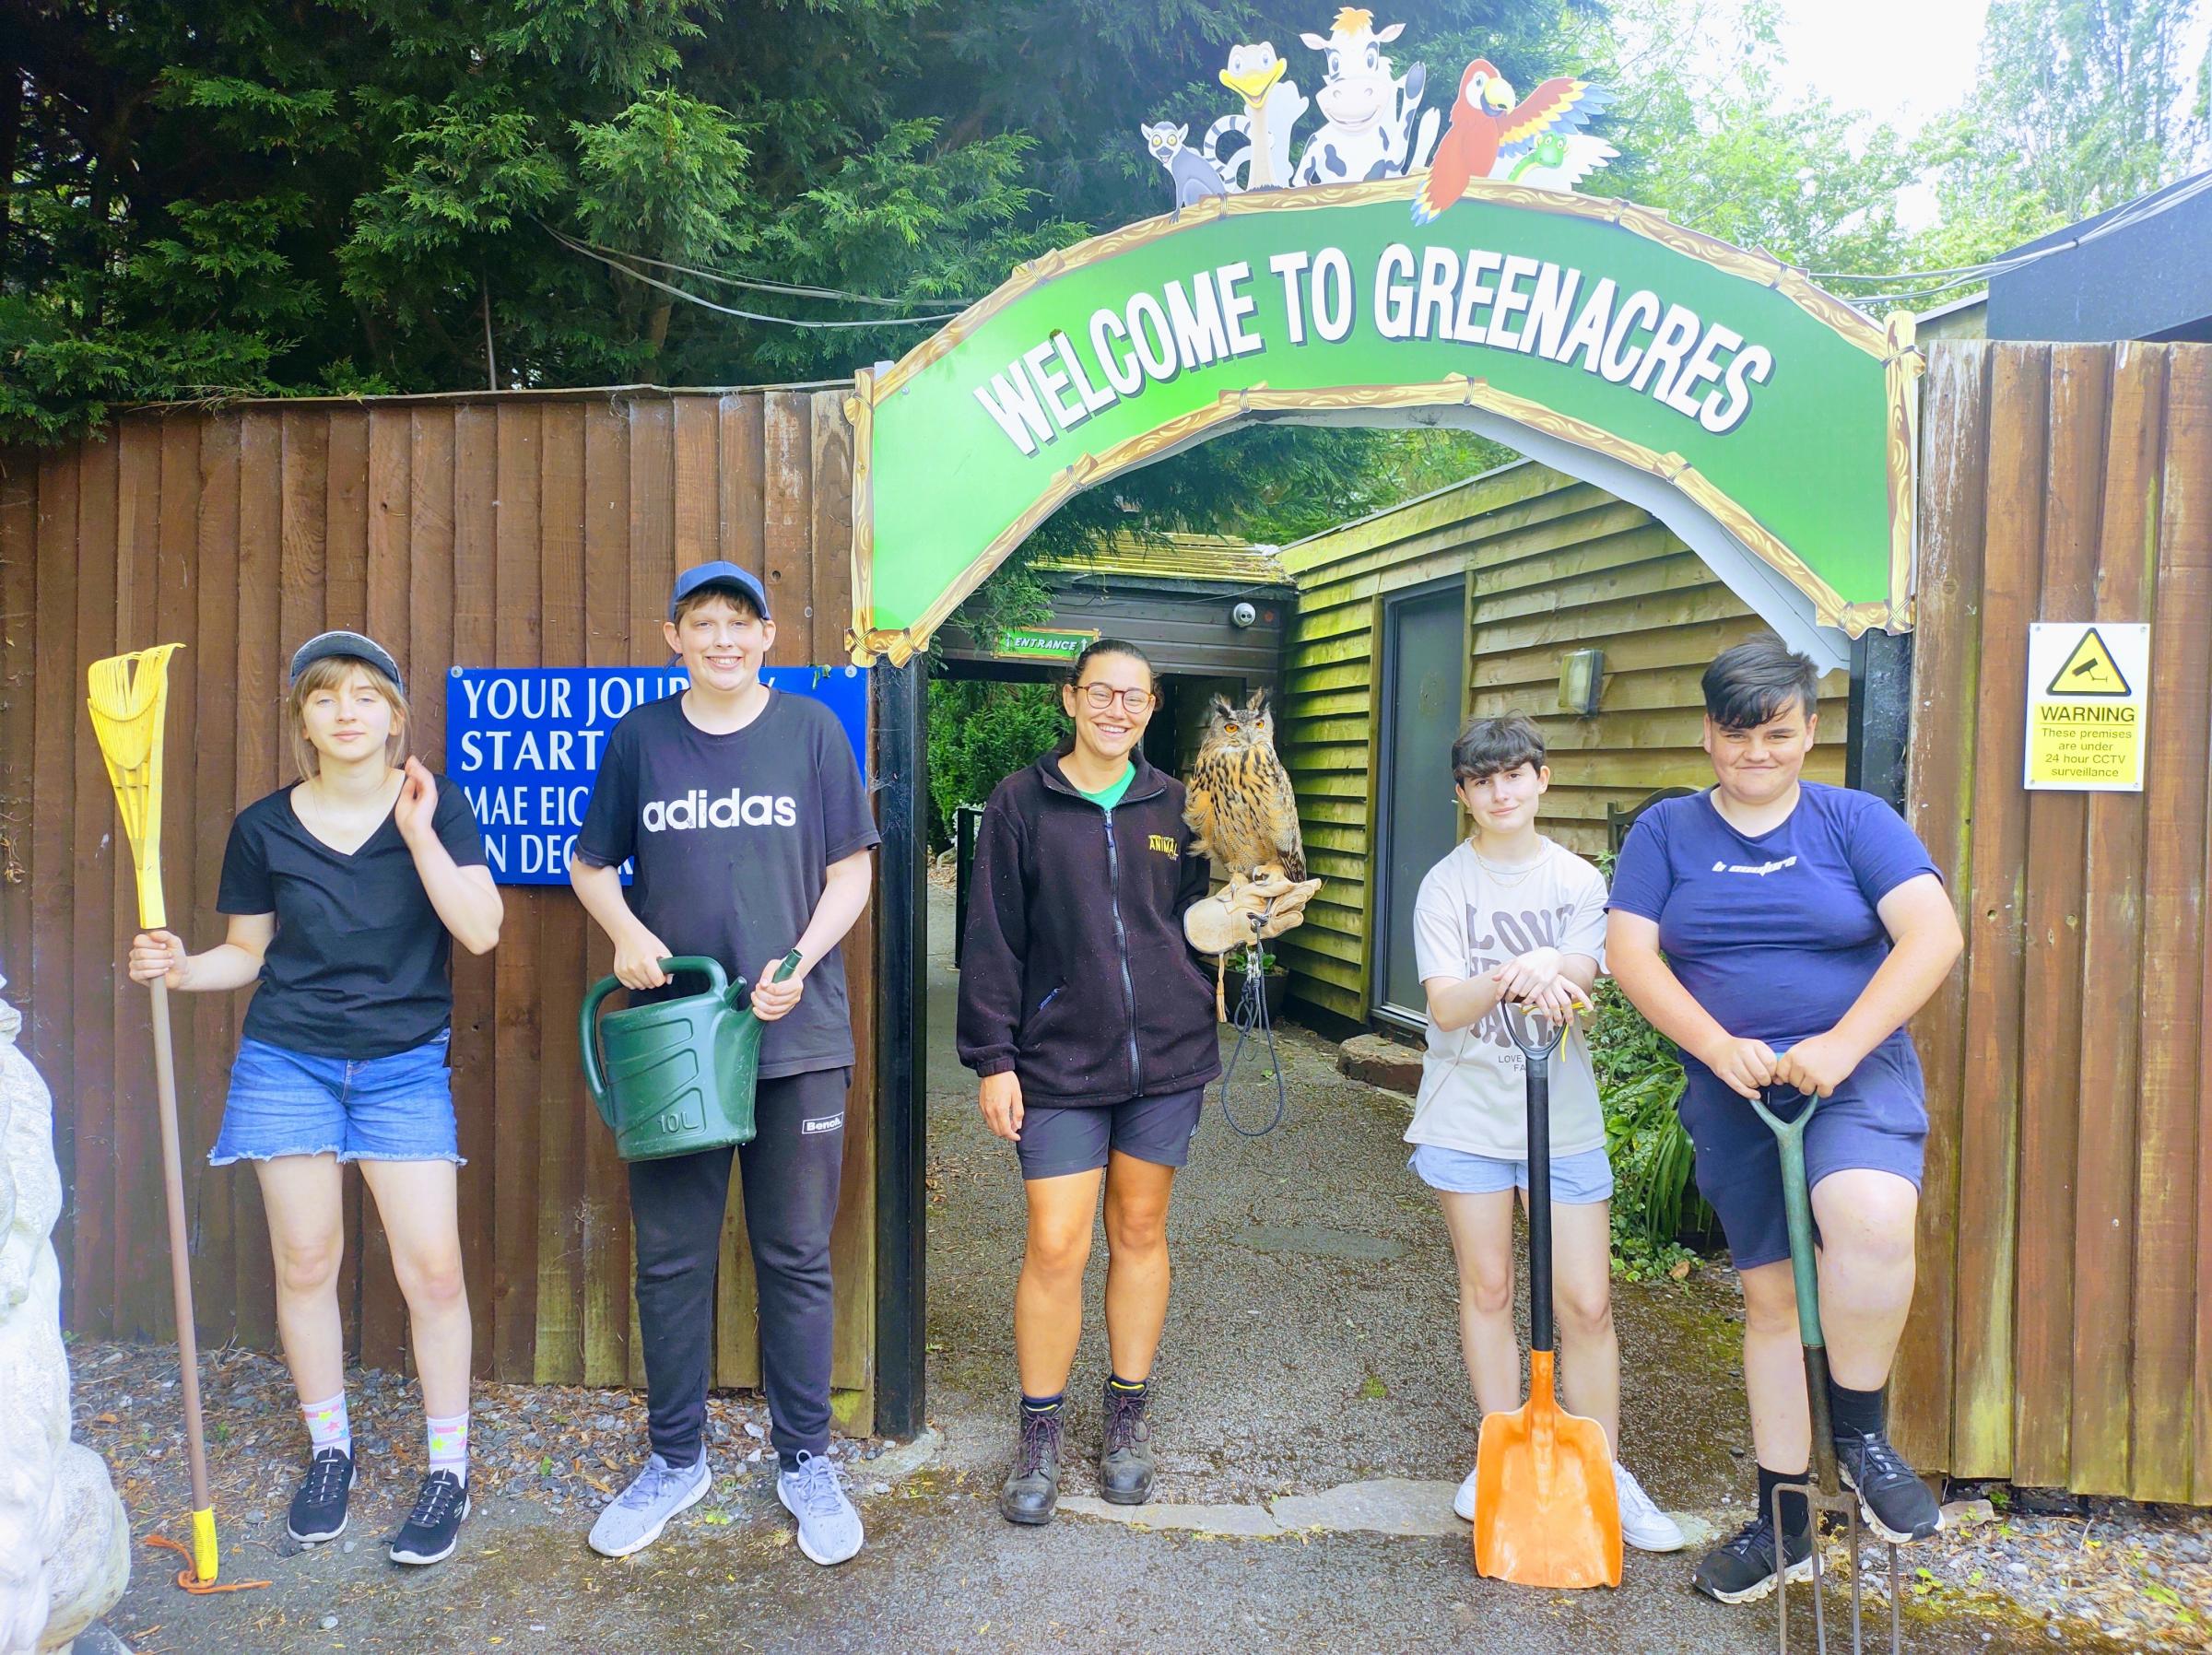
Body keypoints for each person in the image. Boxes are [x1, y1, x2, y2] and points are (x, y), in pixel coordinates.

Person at [127, 630, 502, 1567]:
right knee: (304, 1261)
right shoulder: (264, 827)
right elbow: (246, 954)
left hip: (403, 1065)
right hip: (287, 1060)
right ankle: (329, 1452)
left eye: (367, 696)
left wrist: (417, 835)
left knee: (435, 1273)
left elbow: (482, 930)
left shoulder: (435, 806)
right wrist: (175, 968)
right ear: (303, 718)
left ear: (394, 716)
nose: (347, 711)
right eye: (327, 696)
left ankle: (446, 1469)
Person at [1606, 633, 1963, 1604]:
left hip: (1851, 1075)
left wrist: (1842, 1043)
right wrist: (1719, 1048)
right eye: (1735, 734)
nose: (1755, 753)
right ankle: (1783, 1520)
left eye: (1776, 733)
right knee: (1769, 1301)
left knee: (1871, 1215)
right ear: (1708, 734)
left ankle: (1861, 1436)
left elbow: (1933, 933)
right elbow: (1631, 954)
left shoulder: (1857, 820)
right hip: (1738, 1091)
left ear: (1809, 731)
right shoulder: (1669, 831)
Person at [571, 560, 877, 1567]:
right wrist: (621, 929)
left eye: (739, 623)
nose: (722, 639)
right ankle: (675, 1458)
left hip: (795, 1037)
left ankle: (806, 1460)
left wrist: (799, 956)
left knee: (794, 1253)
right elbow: (590, 861)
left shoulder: (813, 733)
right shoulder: (640, 739)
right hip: (677, 1041)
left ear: (768, 634)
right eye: (703, 623)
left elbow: (850, 869)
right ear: (673, 636)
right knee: (671, 1259)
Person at [958, 640, 1235, 1526]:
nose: (1118, 710)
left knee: (1142, 1227)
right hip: (1058, 1065)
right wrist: (994, 1058)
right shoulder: (1021, 803)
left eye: (1137, 698)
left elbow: (1196, 921)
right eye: (1102, 693)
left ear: (1152, 711)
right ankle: (1040, 1431)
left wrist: (1241, 924)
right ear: (1070, 699)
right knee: (1055, 1244)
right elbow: (992, 938)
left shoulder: (1179, 806)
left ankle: (1125, 1417)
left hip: (1165, 1059)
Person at [1409, 714, 1684, 1555]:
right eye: (1484, 781)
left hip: (1560, 1120)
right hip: (1467, 1113)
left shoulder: (1575, 881)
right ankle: (1502, 1449)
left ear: (1542, 780)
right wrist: (1509, 975)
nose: (1501, 792)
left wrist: (1556, 969)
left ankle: (1604, 1468)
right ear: (1464, 795)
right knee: (1488, 1289)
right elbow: (1445, 1004)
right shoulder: (1445, 886)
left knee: (1586, 1301)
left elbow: (1590, 974)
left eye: (1516, 775)